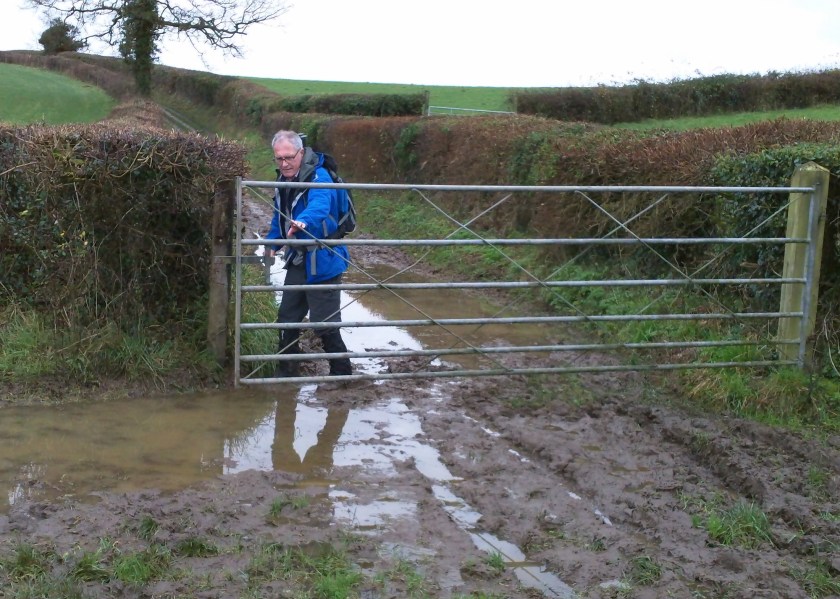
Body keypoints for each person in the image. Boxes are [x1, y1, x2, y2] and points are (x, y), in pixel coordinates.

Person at [265, 130, 353, 378]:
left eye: (289, 158)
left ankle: (342, 375)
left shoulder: (319, 176)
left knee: (324, 323)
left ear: (301, 153)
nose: (284, 164)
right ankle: (287, 372)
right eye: (279, 159)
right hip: (299, 260)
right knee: (287, 318)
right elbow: (278, 217)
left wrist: (303, 221)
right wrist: (273, 243)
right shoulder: (284, 181)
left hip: (324, 259)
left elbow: (320, 205)